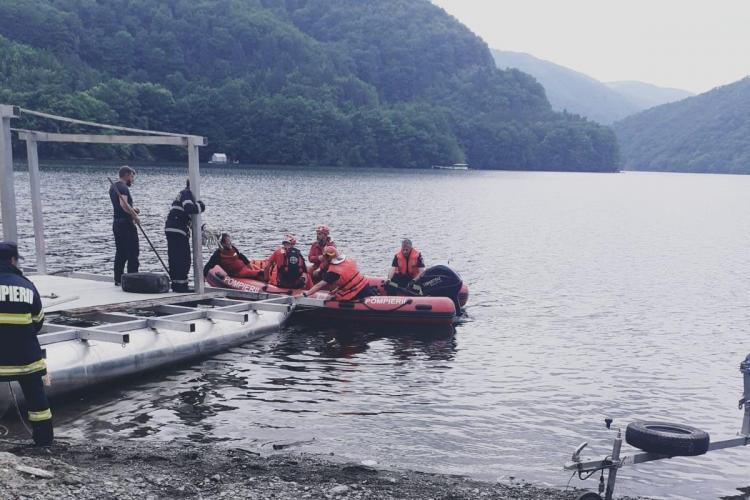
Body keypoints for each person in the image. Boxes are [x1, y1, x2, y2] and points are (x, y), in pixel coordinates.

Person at [0, 242, 53, 446]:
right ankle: (44, 442)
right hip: (25, 359)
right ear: (13, 260)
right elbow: (37, 322)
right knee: (37, 400)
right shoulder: (26, 285)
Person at [165, 179, 205, 292]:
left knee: (175, 257)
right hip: (178, 229)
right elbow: (189, 208)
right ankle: (181, 286)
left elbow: (187, 215)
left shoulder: (183, 194)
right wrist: (201, 206)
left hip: (172, 227)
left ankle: (177, 284)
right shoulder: (187, 194)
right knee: (183, 258)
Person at [303, 246, 376, 300]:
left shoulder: (333, 272)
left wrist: (306, 294)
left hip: (356, 292)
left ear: (327, 257)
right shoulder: (348, 260)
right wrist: (336, 290)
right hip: (366, 285)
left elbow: (319, 285)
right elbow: (347, 279)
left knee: (336, 299)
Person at [109, 166, 140, 285]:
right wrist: (135, 216)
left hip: (117, 223)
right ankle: (133, 280)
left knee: (121, 252)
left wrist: (134, 209)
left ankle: (118, 279)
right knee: (133, 252)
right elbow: (123, 204)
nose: (132, 180)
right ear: (126, 175)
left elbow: (121, 205)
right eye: (132, 176)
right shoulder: (123, 187)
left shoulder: (114, 187)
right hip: (126, 223)